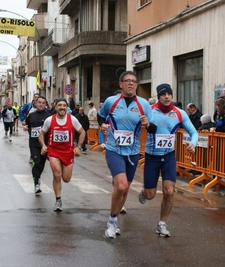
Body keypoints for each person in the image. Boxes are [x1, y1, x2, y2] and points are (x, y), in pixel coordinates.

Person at [98, 70, 152, 239]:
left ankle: (115, 218)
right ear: (120, 84)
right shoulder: (111, 102)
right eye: (127, 81)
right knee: (120, 185)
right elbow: (101, 117)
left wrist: (147, 124)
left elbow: (153, 128)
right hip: (114, 149)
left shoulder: (144, 104)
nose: (130, 83)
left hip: (133, 151)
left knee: (126, 187)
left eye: (134, 81)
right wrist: (103, 126)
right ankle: (112, 221)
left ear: (136, 85)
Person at [139, 83, 198, 237]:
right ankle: (144, 192)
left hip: (169, 157)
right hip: (152, 157)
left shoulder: (179, 113)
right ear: (158, 96)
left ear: (172, 96)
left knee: (169, 191)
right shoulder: (150, 111)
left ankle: (162, 223)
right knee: (150, 194)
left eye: (169, 94)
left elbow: (193, 132)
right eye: (163, 94)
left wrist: (193, 143)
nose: (166, 96)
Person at [38, 98, 85, 211]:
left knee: (66, 178)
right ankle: (58, 200)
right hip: (53, 151)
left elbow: (82, 132)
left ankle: (58, 198)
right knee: (57, 174)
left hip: (68, 152)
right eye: (59, 105)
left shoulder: (72, 119)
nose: (62, 107)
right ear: (55, 107)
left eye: (64, 105)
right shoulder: (49, 120)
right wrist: (44, 146)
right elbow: (41, 134)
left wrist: (78, 147)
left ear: (67, 107)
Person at [24, 96, 51, 194]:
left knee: (42, 164)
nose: (41, 104)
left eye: (43, 103)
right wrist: (25, 127)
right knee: (36, 161)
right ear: (35, 103)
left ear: (45, 104)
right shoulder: (31, 115)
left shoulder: (49, 116)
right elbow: (26, 124)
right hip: (34, 143)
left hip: (44, 144)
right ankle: (36, 184)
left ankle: (38, 177)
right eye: (39, 102)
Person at [20, 93, 40, 164]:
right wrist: (23, 120)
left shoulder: (41, 105)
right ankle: (32, 156)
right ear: (33, 98)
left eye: (38, 97)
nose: (36, 98)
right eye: (35, 97)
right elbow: (21, 111)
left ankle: (39, 155)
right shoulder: (28, 105)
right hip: (31, 126)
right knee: (33, 140)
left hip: (40, 126)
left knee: (40, 140)